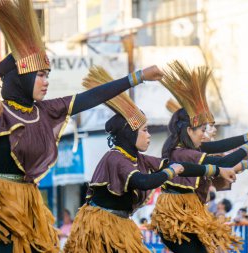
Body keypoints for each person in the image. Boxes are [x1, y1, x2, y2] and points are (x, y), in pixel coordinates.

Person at [0, 0, 165, 252]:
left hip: (27, 207)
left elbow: (92, 97)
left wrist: (137, 77)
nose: (45, 82)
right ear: (21, 77)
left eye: (47, 75)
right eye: (40, 75)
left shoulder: (45, 111)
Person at [64, 67, 221, 253]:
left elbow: (178, 166)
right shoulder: (115, 158)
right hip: (100, 228)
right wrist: (171, 171)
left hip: (121, 225)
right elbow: (143, 181)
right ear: (130, 133)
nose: (149, 136)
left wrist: (215, 171)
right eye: (144, 130)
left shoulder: (138, 158)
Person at [150, 61, 248, 253]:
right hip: (178, 219)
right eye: (203, 129)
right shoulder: (184, 153)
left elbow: (220, 146)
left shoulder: (186, 149)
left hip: (189, 217)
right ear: (189, 130)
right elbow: (224, 162)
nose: (206, 134)